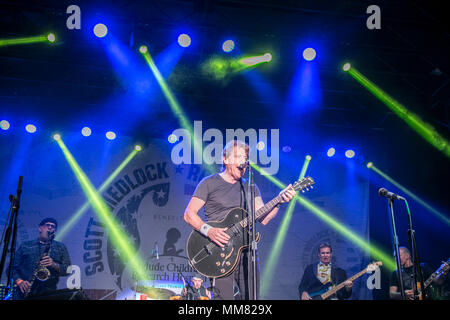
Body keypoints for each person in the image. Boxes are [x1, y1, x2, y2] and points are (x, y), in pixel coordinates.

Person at [183, 140, 296, 300]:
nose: (243, 161)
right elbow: (189, 214)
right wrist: (210, 231)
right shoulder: (210, 183)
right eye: (238, 156)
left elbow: (263, 218)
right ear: (225, 159)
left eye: (245, 157)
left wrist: (279, 201)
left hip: (246, 252)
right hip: (219, 251)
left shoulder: (251, 188)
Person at [12, 218, 71, 299]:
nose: (50, 228)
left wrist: (54, 265)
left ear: (54, 230)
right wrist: (20, 281)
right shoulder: (25, 246)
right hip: (24, 291)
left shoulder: (60, 247)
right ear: (40, 228)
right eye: (47, 225)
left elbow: (68, 269)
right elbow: (12, 268)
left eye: (53, 226)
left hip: (48, 293)